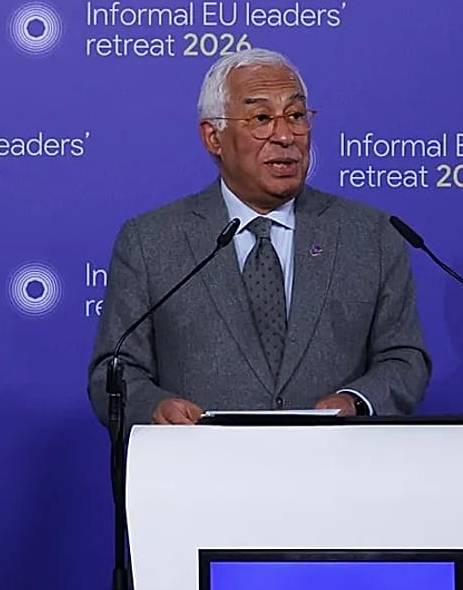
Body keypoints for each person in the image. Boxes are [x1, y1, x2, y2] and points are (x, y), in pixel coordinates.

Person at [86, 48, 430, 427]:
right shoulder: (150, 241)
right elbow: (114, 373)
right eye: (262, 118)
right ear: (213, 137)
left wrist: (357, 400)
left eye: (296, 116)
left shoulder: (372, 236)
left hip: (335, 472)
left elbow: (404, 359)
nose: (285, 136)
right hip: (202, 474)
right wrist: (154, 407)